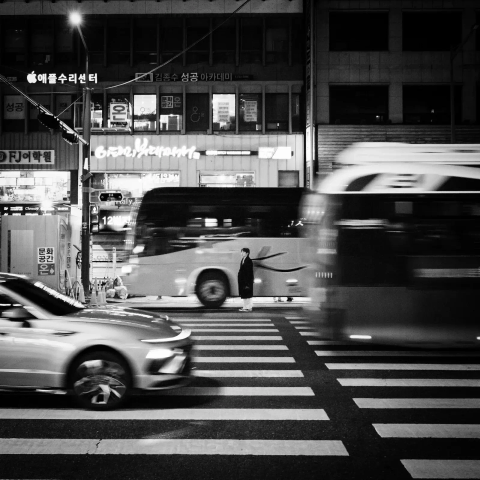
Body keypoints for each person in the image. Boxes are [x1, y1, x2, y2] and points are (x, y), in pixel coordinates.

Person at [238, 247, 254, 312]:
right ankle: (245, 307)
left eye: (243, 252)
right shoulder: (243, 259)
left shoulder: (249, 261)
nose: (241, 253)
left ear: (247, 253)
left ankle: (248, 307)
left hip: (247, 280)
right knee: (244, 294)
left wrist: (247, 282)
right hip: (243, 280)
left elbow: (249, 272)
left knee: (247, 294)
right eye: (241, 252)